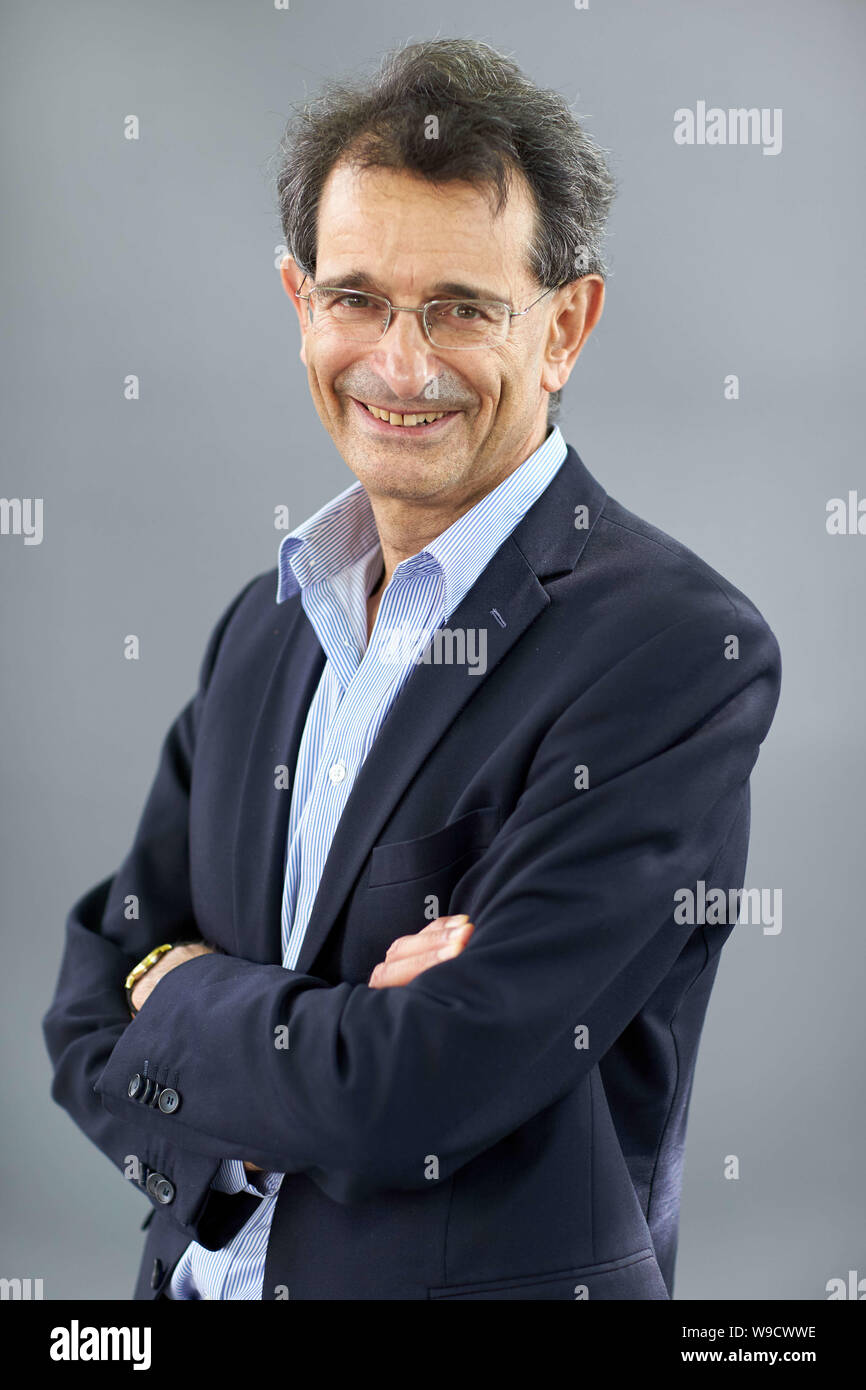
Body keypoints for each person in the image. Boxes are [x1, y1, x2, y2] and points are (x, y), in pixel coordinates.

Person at [43, 37, 781, 1301]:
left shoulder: (673, 655)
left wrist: (196, 998)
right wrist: (296, 1054)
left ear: (566, 326)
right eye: (356, 299)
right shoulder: (263, 629)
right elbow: (84, 1015)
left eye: (460, 307)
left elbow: (419, 1089)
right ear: (298, 303)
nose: (399, 363)